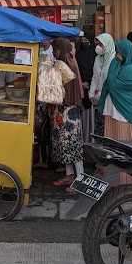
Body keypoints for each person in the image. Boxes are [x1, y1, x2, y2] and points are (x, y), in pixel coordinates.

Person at [50, 37, 85, 189]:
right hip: (67, 109)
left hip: (68, 111)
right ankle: (70, 175)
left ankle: (80, 179)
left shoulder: (65, 65)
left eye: (55, 49)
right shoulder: (69, 61)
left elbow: (60, 89)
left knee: (73, 146)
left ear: (60, 50)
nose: (54, 52)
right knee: (66, 145)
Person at [99, 39, 132, 143]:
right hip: (113, 108)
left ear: (126, 52)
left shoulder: (131, 69)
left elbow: (113, 84)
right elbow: (110, 81)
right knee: (113, 136)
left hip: (125, 112)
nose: (117, 55)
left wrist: (111, 79)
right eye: (117, 52)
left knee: (125, 139)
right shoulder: (119, 63)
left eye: (119, 52)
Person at [75, 33, 96, 139]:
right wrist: (81, 83)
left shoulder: (93, 54)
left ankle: (88, 136)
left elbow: (95, 71)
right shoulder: (77, 54)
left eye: (86, 40)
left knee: (88, 115)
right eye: (82, 40)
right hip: (80, 88)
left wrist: (89, 82)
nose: (84, 42)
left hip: (89, 87)